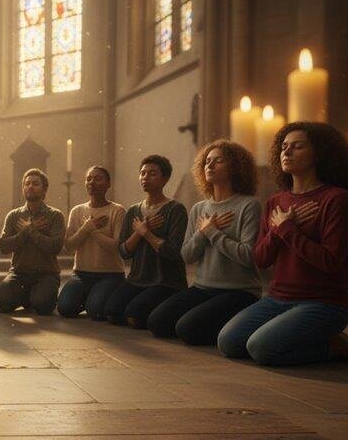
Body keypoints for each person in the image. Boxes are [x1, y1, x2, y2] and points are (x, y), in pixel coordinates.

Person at [218, 122, 348, 365]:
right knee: (228, 342)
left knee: (261, 349)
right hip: (277, 299)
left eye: (297, 147)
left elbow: (331, 262)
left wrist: (287, 229)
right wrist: (278, 231)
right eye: (284, 147)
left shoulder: (336, 199)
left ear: (319, 153)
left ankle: (333, 346)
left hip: (323, 304)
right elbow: (260, 259)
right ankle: (307, 337)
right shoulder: (276, 201)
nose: (286, 152)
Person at [147, 141, 261, 345]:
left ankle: (240, 320)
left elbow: (248, 256)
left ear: (235, 167)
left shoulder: (249, 205)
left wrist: (213, 232)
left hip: (239, 291)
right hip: (202, 288)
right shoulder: (199, 208)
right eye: (207, 161)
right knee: (157, 322)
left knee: (187, 330)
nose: (210, 165)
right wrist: (202, 233)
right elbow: (187, 256)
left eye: (218, 161)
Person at [104, 155, 188, 328]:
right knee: (111, 312)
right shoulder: (134, 210)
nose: (145, 177)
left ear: (165, 179)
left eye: (152, 173)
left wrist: (146, 233)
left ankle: (166, 308)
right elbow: (124, 252)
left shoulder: (176, 210)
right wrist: (140, 232)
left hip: (166, 280)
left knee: (135, 317)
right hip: (137, 279)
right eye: (142, 173)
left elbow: (172, 252)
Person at [56, 166, 127, 319]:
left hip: (110, 275)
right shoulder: (77, 211)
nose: (92, 182)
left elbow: (115, 246)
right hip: (81, 274)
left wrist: (93, 231)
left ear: (108, 184)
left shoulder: (117, 210)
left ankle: (95, 298)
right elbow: (69, 246)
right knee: (64, 308)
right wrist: (86, 228)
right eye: (89, 179)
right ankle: (90, 297)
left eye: (98, 178)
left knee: (95, 311)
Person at [0, 168, 64, 315]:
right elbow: (4, 247)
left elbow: (56, 246)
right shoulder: (14, 215)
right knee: (2, 303)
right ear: (23, 188)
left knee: (43, 306)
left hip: (46, 274)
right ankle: (30, 296)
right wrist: (25, 232)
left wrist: (31, 231)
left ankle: (34, 296)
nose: (30, 186)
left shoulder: (54, 215)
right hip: (19, 274)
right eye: (27, 184)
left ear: (44, 189)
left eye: (35, 183)